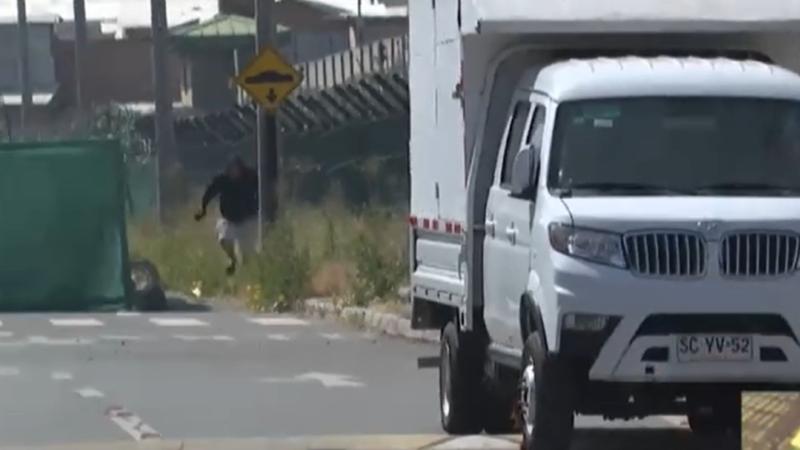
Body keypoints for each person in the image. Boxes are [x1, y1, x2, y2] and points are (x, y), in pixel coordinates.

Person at [195, 156, 259, 275]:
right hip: (228, 218)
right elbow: (209, 193)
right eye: (232, 169)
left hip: (247, 219)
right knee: (224, 239)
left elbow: (263, 189)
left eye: (237, 169)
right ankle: (232, 259)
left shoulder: (251, 178)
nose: (235, 172)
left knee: (247, 255)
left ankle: (246, 276)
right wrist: (203, 209)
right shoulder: (222, 180)